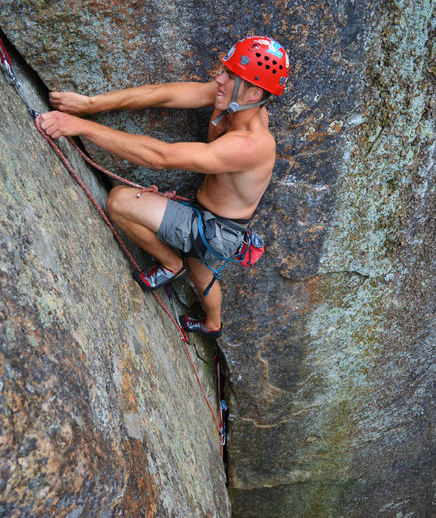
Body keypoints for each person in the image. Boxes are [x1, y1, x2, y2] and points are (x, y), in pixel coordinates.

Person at [39, 36, 289, 339]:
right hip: (215, 218)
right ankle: (213, 326)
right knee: (203, 276)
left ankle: (171, 264)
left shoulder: (250, 144)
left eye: (230, 76)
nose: (218, 79)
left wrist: (79, 126)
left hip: (217, 230)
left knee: (120, 201)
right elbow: (162, 94)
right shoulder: (237, 101)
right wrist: (91, 104)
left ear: (254, 91)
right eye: (225, 71)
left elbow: (161, 157)